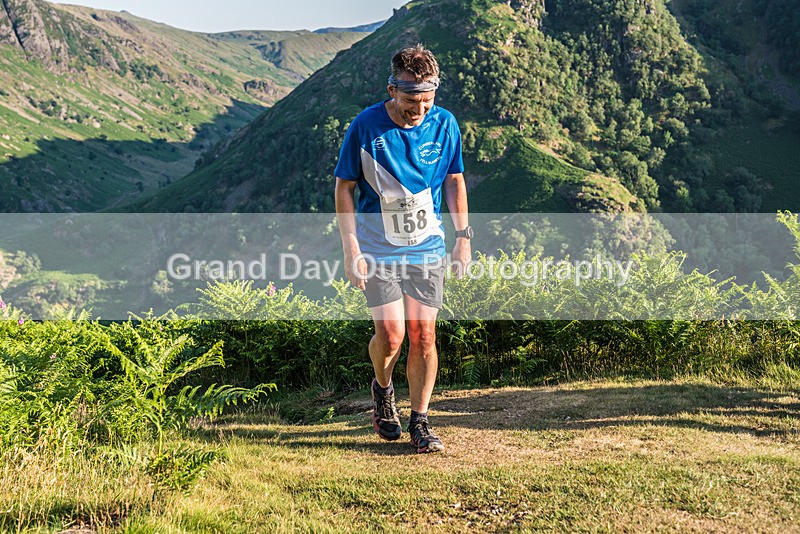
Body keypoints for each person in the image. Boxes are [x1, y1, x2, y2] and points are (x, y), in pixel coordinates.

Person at [334, 44, 472, 453]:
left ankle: (421, 421)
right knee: (392, 336)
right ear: (392, 90)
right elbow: (344, 187)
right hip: (378, 246)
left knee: (423, 334)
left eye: (428, 101)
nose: (420, 111)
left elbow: (454, 180)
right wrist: (351, 249)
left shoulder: (445, 124)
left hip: (427, 245)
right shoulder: (365, 127)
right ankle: (382, 389)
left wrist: (463, 238)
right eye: (412, 102)